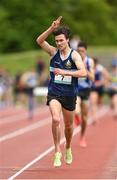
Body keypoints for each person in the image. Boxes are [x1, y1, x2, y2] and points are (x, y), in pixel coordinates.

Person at [36, 16, 87, 167]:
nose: (58, 43)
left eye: (61, 41)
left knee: (69, 126)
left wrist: (66, 73)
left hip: (69, 95)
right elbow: (39, 41)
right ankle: (57, 150)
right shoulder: (53, 53)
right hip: (54, 93)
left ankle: (68, 147)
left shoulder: (75, 55)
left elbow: (83, 72)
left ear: (67, 40)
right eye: (56, 41)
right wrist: (51, 29)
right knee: (56, 119)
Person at [75, 41, 94, 147]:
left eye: (82, 51)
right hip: (76, 89)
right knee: (76, 109)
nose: (80, 53)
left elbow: (92, 77)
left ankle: (82, 137)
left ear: (85, 51)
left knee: (85, 118)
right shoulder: (74, 59)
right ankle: (76, 117)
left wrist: (84, 68)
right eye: (79, 51)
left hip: (86, 90)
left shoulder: (89, 61)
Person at [89, 57, 110, 123]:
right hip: (93, 88)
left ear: (96, 63)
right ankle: (95, 118)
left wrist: (101, 82)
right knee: (93, 102)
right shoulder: (88, 67)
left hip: (100, 88)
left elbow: (107, 77)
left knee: (99, 102)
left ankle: (99, 108)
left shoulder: (100, 68)